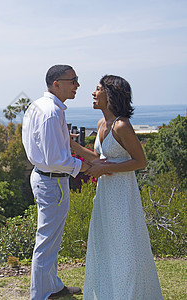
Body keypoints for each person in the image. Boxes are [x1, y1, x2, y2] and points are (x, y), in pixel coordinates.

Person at [70, 75, 163, 299]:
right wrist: (71, 144)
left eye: (98, 89)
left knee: (125, 248)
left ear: (110, 95)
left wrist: (107, 167)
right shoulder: (102, 124)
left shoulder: (122, 126)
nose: (93, 93)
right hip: (104, 195)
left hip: (122, 195)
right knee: (106, 245)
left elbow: (140, 161)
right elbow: (98, 158)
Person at [22, 65, 91, 300]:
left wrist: (65, 141)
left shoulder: (39, 106)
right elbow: (55, 159)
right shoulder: (51, 112)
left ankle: (52, 286)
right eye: (73, 80)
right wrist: (86, 168)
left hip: (45, 178)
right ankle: (40, 295)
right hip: (52, 182)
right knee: (47, 241)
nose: (77, 85)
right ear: (56, 84)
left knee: (51, 239)